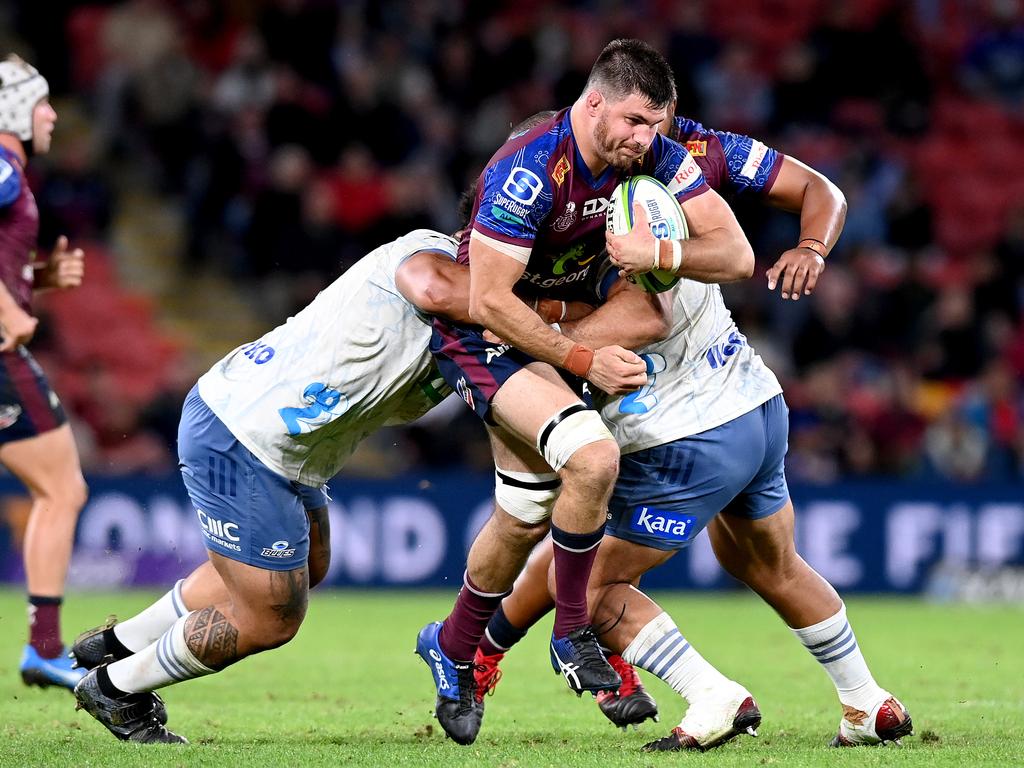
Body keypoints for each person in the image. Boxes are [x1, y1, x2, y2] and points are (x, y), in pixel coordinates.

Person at [462, 112, 913, 750]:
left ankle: (713, 697)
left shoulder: (592, 218)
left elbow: (646, 313)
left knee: (585, 588)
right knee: (767, 563)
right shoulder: (686, 165)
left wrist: (539, 348)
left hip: (686, 435)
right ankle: (867, 702)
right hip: (755, 404)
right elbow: (802, 201)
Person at [415, 38, 754, 746]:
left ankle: (452, 645)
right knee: (593, 460)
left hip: (564, 324)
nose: (646, 140)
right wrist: (583, 357)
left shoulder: (653, 152)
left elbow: (737, 256)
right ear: (593, 102)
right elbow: (488, 300)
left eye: (656, 125)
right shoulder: (531, 169)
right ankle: (573, 633)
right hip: (488, 336)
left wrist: (665, 253)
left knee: (522, 513)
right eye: (634, 122)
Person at [68, 228, 478, 743]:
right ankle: (116, 687)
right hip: (244, 433)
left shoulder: (484, 303)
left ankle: (117, 644)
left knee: (308, 566)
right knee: (271, 616)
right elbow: (437, 291)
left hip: (288, 446)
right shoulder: (434, 258)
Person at [0, 55, 89, 692]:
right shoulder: (2, 167)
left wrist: (34, 280)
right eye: (41, 102)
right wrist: (5, 306)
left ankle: (43, 648)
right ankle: (44, 648)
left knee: (55, 491)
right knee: (61, 490)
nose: (51, 114)